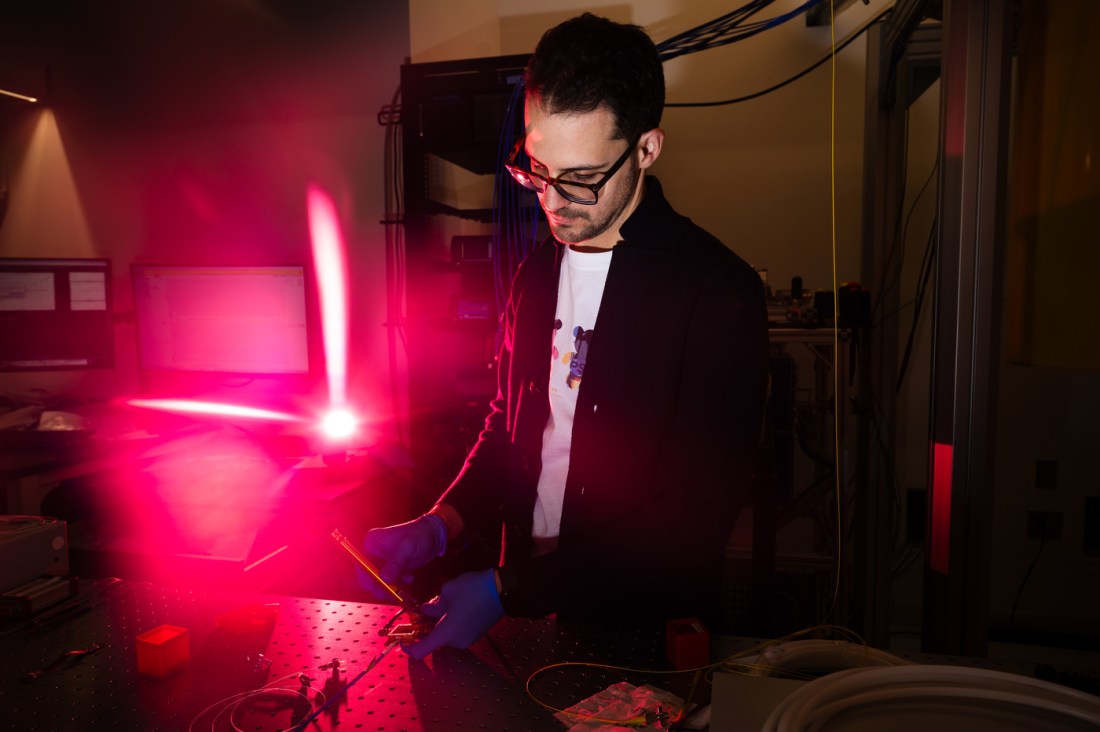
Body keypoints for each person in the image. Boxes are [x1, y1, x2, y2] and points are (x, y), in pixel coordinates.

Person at [360, 12, 769, 660]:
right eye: (536, 167)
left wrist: (506, 589)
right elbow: (511, 431)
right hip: (526, 622)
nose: (551, 200)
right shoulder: (539, 268)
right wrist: (440, 525)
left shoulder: (718, 296)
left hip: (637, 640)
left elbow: (688, 527)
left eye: (580, 179)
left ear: (646, 149)